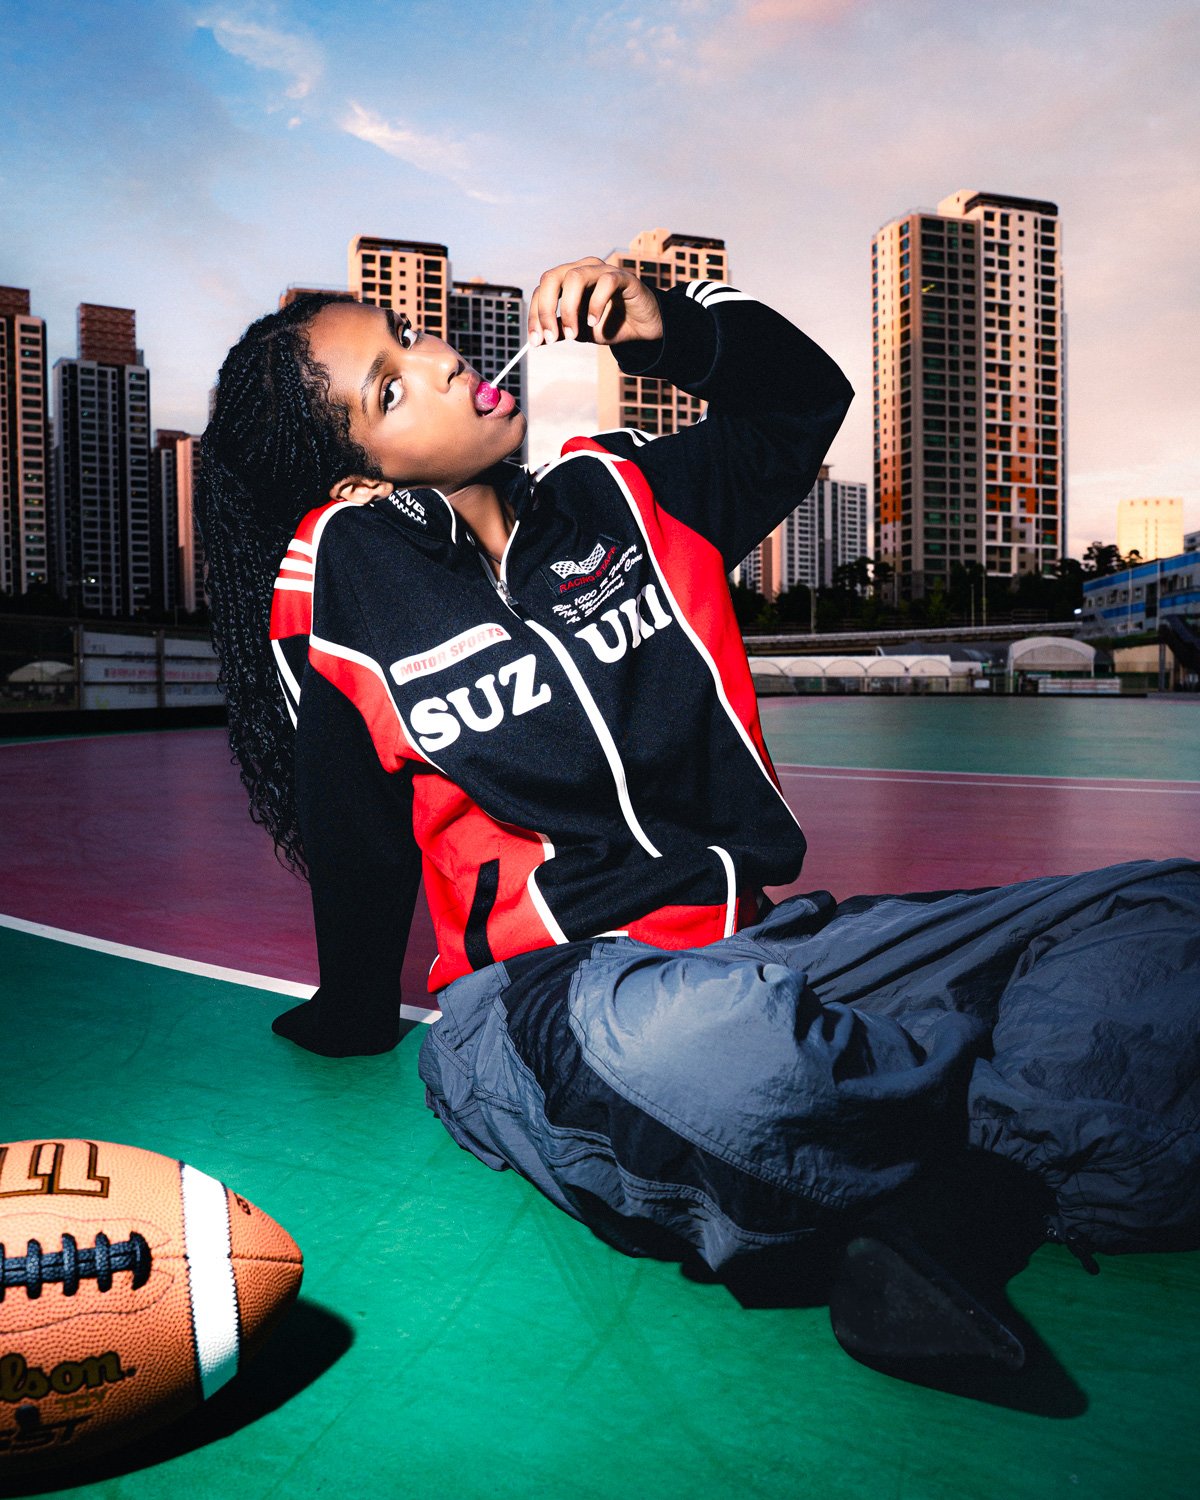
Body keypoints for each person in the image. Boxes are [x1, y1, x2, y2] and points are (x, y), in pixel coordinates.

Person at [198, 256, 1200, 1379]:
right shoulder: (342, 584)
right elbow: (357, 837)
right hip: (550, 1003)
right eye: (389, 389)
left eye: (409, 334)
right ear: (354, 485)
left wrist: (667, 325)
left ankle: (955, 1195)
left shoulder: (626, 495)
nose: (436, 360)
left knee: (1164, 914)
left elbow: (802, 403)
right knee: (697, 1040)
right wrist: (350, 1011)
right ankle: (991, 1119)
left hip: (771, 950)